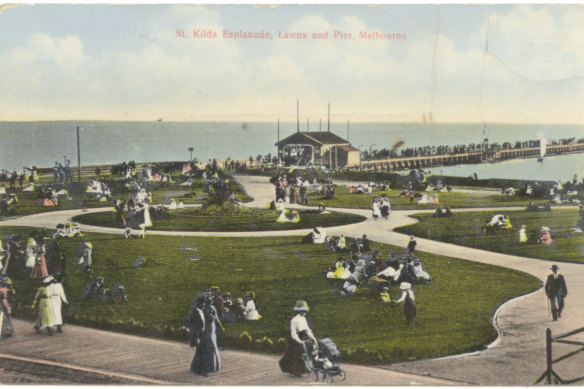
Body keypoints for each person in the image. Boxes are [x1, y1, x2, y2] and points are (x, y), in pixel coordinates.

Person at [186, 293, 222, 376]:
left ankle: (197, 368)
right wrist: (195, 337)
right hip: (200, 335)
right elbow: (192, 325)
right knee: (206, 351)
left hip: (204, 334)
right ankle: (204, 369)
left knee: (201, 352)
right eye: (202, 303)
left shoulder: (202, 310)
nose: (203, 304)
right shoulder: (195, 312)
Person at [279, 300, 317, 376]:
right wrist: (298, 340)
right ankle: (296, 371)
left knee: (308, 352)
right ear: (298, 311)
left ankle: (305, 369)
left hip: (304, 337)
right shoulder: (294, 320)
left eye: (304, 311)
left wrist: (312, 337)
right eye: (302, 311)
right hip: (296, 339)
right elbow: (293, 333)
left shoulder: (304, 319)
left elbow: (307, 329)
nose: (304, 312)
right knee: (296, 354)